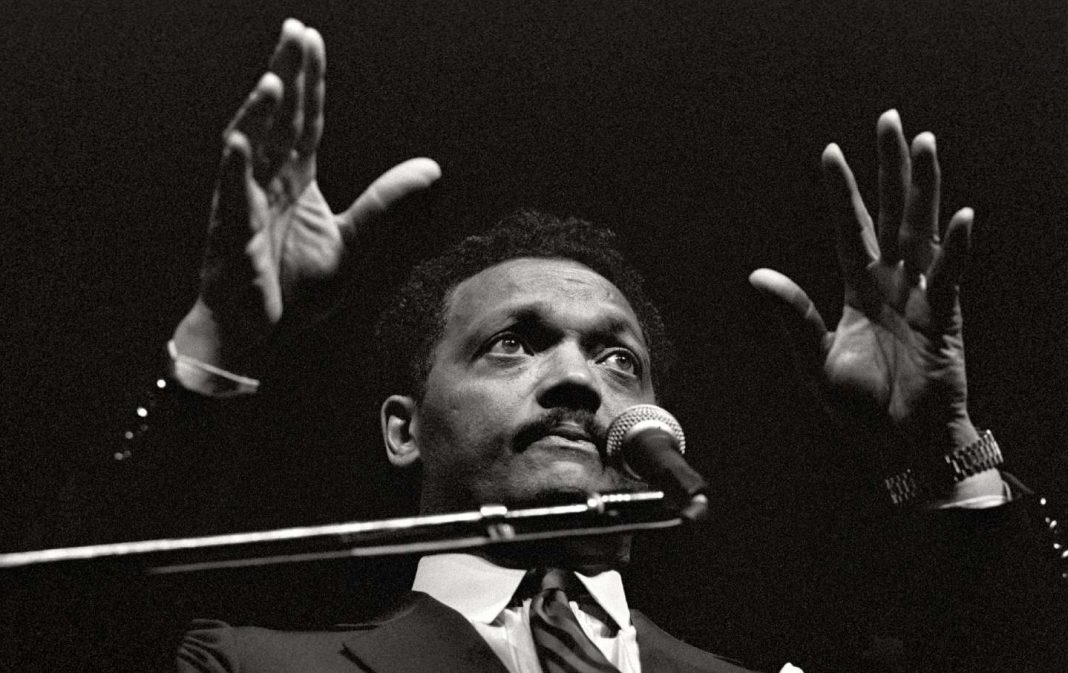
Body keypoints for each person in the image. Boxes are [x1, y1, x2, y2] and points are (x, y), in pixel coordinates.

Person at [168, 19, 1062, 673]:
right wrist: (218, 342)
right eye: (512, 344)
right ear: (403, 428)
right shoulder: (249, 664)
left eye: (619, 359)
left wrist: (942, 452)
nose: (577, 381)